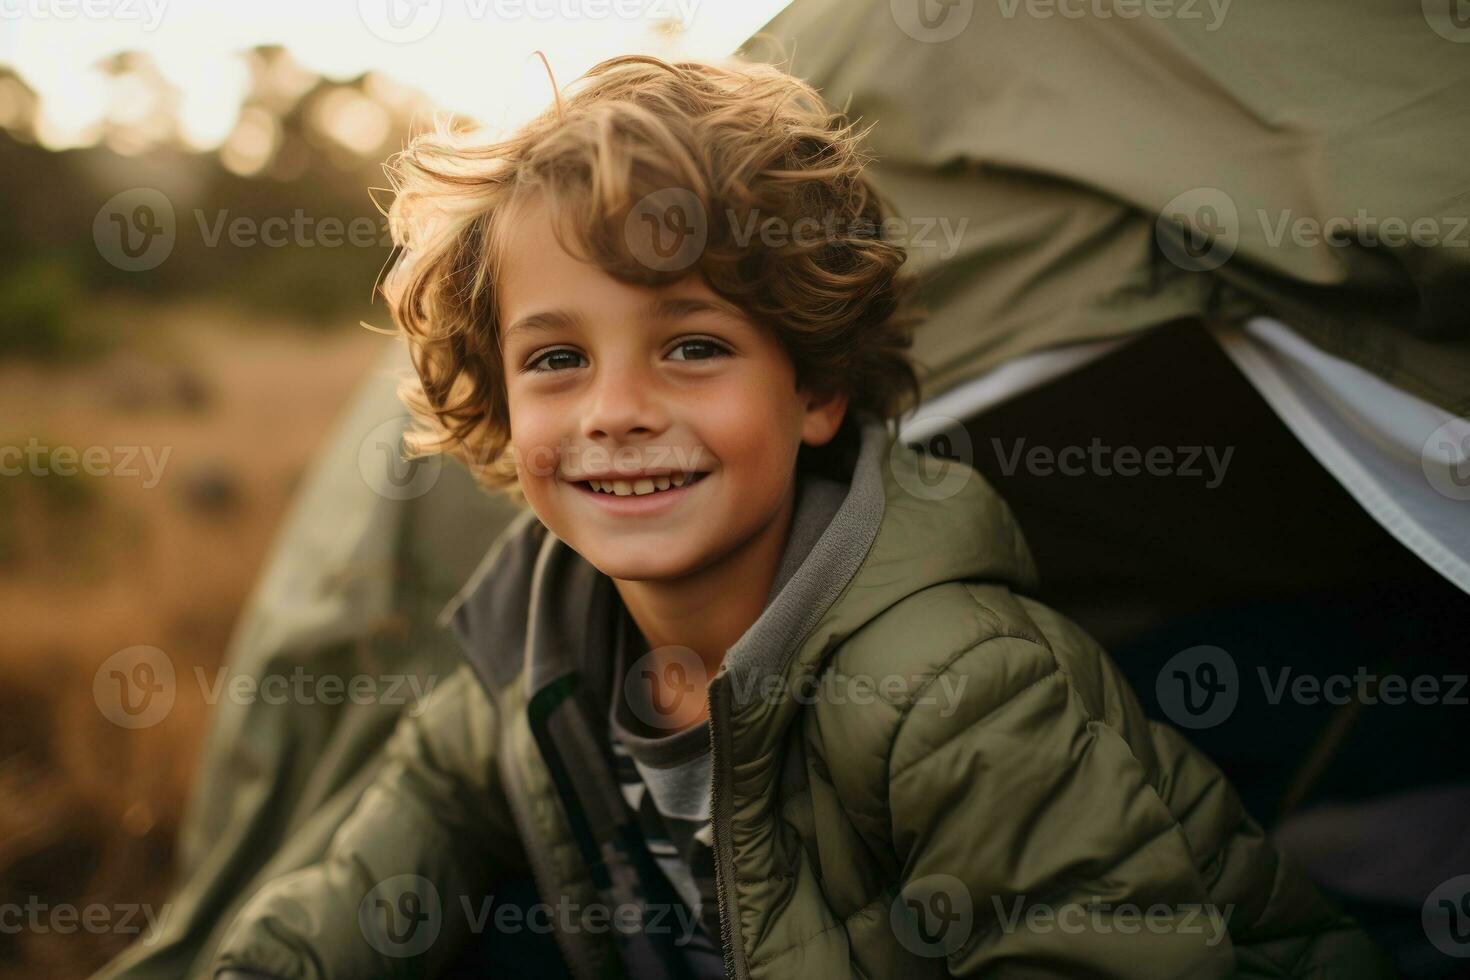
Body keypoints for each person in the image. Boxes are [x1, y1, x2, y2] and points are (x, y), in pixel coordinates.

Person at [211, 53, 1393, 979]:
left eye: (692, 346)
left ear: (817, 389)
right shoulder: (525, 661)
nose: (616, 411)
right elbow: (355, 893)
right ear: (500, 400)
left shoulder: (957, 683)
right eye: (558, 357)